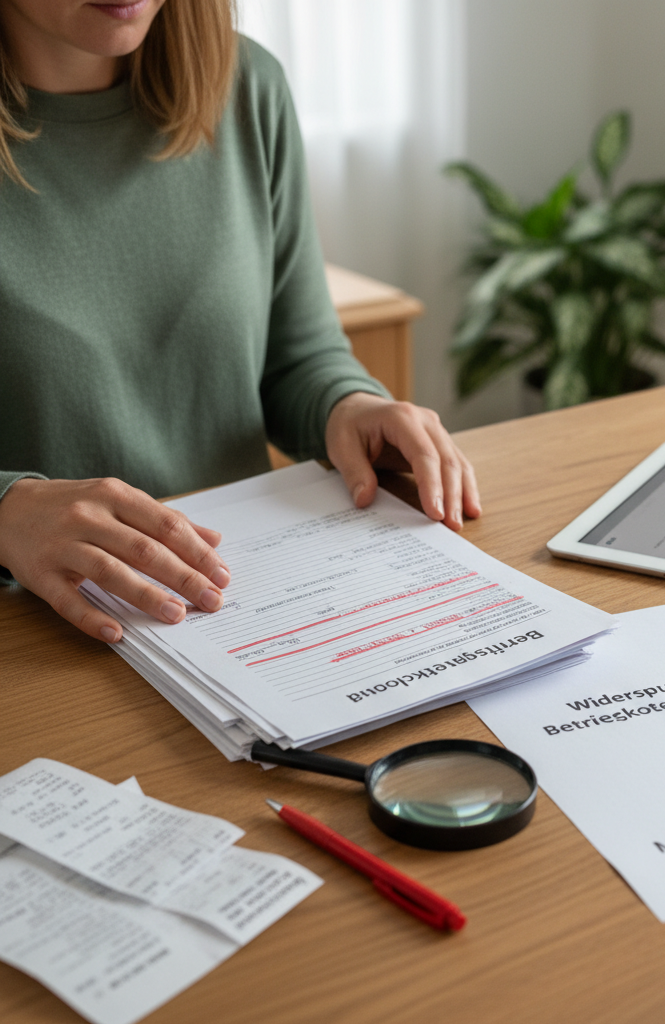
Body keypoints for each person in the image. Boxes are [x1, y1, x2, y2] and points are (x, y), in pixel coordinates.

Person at [0, 0, 480, 645]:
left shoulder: (246, 85)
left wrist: (348, 407)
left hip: (238, 606)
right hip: (37, 636)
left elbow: (297, 355)